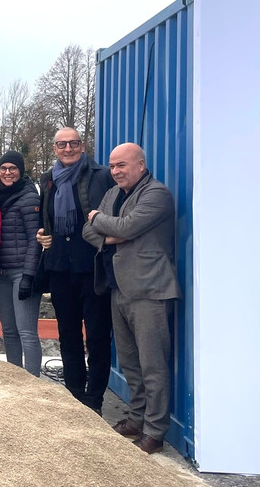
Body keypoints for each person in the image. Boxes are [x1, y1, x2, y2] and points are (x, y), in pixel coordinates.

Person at [82, 143, 180, 454]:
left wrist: (103, 221)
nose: (116, 171)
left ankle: (154, 431)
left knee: (153, 365)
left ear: (140, 164)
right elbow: (89, 230)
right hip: (118, 288)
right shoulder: (113, 194)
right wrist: (112, 231)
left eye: (122, 165)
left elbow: (129, 225)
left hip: (150, 289)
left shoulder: (157, 194)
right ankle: (136, 418)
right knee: (130, 363)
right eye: (112, 166)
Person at [36, 127, 115, 414]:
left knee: (96, 336)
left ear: (82, 145)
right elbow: (45, 219)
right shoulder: (48, 180)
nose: (67, 149)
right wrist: (41, 234)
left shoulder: (102, 175)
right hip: (59, 268)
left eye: (73, 143)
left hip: (92, 267)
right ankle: (74, 395)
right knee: (67, 334)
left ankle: (94, 401)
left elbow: (114, 215)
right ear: (55, 148)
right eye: (62, 144)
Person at [0, 151, 42, 376]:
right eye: (4, 168)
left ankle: (33, 382)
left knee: (27, 332)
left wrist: (29, 276)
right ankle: (15, 378)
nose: (8, 172)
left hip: (22, 272)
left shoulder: (29, 197)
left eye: (13, 168)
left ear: (20, 171)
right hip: (2, 273)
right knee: (9, 331)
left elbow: (35, 240)